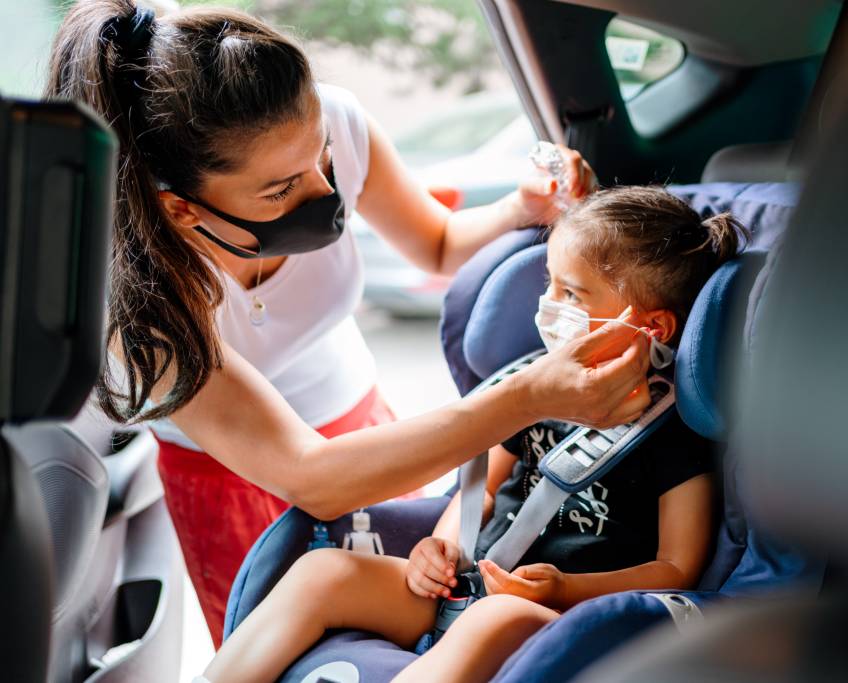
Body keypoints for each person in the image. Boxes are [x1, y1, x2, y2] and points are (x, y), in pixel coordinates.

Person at [46, 0, 652, 645]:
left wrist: (518, 208)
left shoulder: (325, 121)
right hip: (237, 479)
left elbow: (440, 245)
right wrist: (532, 395)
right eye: (280, 191)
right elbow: (312, 476)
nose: (323, 191)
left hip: (372, 429)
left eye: (325, 157)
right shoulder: (138, 307)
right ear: (181, 210)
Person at [199, 186, 750, 683]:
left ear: (650, 329)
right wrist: (442, 546)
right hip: (469, 584)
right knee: (324, 570)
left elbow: (678, 568)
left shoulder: (673, 433)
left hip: (558, 617)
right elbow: (480, 492)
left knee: (495, 617)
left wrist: (565, 590)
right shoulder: (536, 387)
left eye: (573, 295)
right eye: (549, 285)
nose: (549, 306)